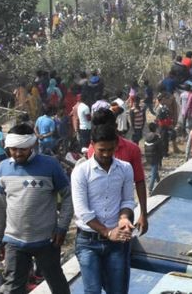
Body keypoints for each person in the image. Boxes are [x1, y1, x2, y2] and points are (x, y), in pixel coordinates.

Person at [0, 124, 71, 294]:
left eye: (23, 149)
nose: (18, 153)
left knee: (57, 284)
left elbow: (68, 197)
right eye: (13, 149)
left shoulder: (50, 165)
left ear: (32, 145)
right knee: (12, 288)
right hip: (14, 241)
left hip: (46, 241)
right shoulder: (3, 168)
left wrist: (62, 226)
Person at [72, 123, 136, 294]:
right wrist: (107, 232)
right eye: (102, 150)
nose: (107, 154)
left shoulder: (125, 168)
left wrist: (123, 218)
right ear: (92, 144)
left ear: (116, 145)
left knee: (117, 290)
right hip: (88, 242)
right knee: (92, 290)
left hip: (117, 242)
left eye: (110, 149)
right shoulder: (81, 172)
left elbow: (128, 201)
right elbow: (82, 212)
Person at [142, 123, 163, 193]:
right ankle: (150, 188)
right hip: (155, 156)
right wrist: (161, 157)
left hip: (148, 156)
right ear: (155, 128)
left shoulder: (146, 136)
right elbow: (160, 148)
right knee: (153, 172)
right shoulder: (157, 137)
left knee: (154, 169)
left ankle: (159, 182)